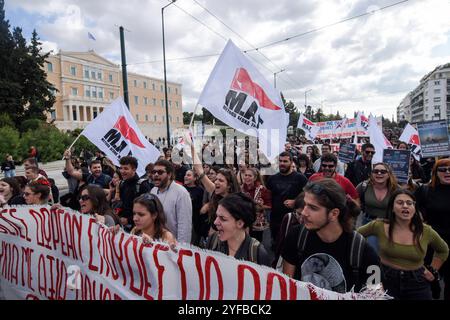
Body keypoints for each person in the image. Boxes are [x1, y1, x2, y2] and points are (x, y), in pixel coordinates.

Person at [282, 179, 380, 292]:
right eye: (305, 205)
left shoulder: (362, 251)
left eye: (313, 208)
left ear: (334, 213)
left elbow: (376, 293)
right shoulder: (296, 236)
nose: (304, 212)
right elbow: (286, 287)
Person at [358, 189, 449, 300]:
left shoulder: (426, 231)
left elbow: (443, 250)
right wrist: (374, 278)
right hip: (384, 279)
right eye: (400, 203)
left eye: (409, 203)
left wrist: (433, 269)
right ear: (392, 208)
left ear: (414, 209)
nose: (405, 206)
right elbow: (355, 238)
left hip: (417, 282)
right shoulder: (378, 225)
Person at [415, 158, 450, 299]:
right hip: (431, 243)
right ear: (435, 172)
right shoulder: (425, 191)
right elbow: (411, 207)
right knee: (429, 280)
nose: (447, 172)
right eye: (443, 169)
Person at [206, 193, 271, 266]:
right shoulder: (213, 240)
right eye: (216, 216)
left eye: (223, 219)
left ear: (240, 223)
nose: (215, 222)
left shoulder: (258, 253)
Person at [266, 152, 308, 245]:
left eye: (285, 161)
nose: (282, 163)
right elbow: (267, 197)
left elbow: (308, 195)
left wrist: (296, 202)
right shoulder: (272, 178)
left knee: (291, 246)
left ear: (291, 162)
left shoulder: (300, 178)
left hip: (293, 219)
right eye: (280, 161)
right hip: (275, 219)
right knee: (276, 246)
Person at [150, 159, 192, 244]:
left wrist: (182, 249)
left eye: (160, 172)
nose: (156, 175)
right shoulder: (153, 191)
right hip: (156, 243)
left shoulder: (181, 193)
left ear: (169, 175)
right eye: (154, 172)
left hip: (173, 246)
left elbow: (184, 226)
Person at [116, 156, 151, 231]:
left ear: (134, 169)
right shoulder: (122, 184)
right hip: (124, 227)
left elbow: (148, 210)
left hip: (139, 229)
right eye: (121, 168)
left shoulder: (142, 185)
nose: (122, 171)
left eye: (126, 168)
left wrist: (129, 220)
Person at [273, 193, 304, 270]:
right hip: (288, 261)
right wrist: (276, 261)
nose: (301, 219)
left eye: (304, 215)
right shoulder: (288, 218)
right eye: (299, 214)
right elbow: (280, 242)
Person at [241, 167, 272, 242]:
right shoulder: (241, 188)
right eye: (246, 175)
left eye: (250, 176)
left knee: (255, 243)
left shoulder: (262, 190)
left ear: (255, 178)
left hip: (256, 223)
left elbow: (269, 206)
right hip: (243, 221)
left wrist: (260, 207)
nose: (247, 177)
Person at [184, 169, 205, 246]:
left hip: (194, 223)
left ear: (195, 178)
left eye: (189, 175)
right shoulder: (181, 189)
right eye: (185, 175)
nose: (185, 177)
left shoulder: (200, 190)